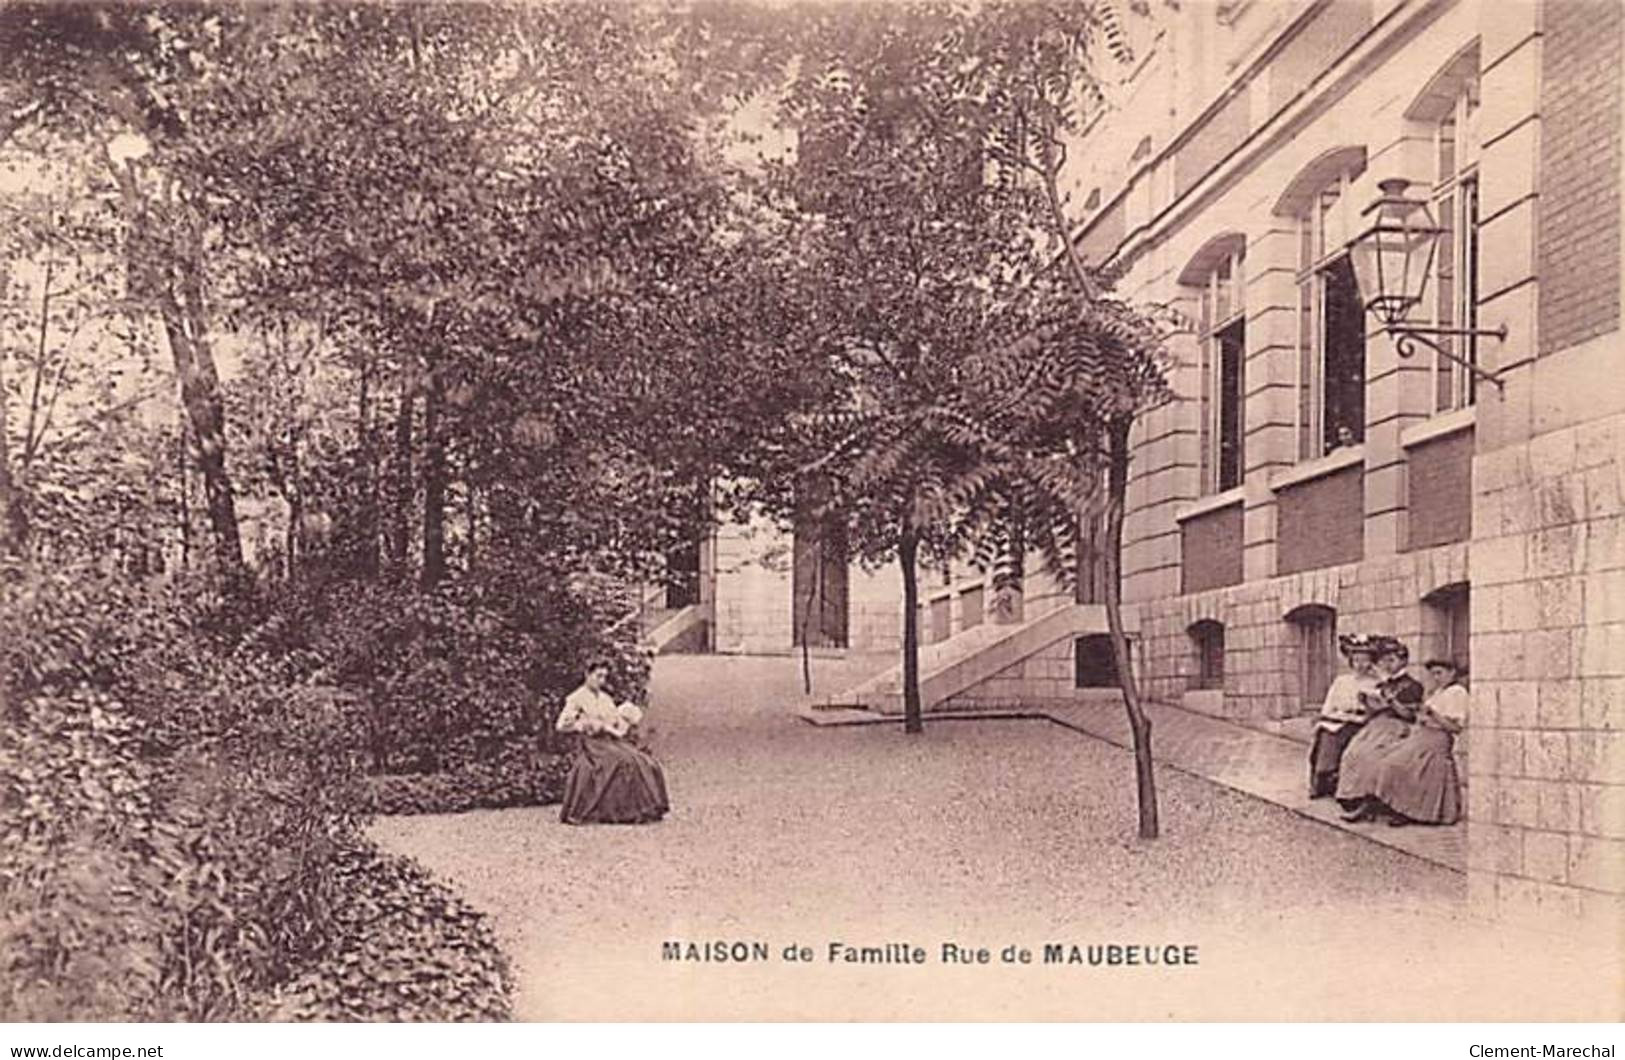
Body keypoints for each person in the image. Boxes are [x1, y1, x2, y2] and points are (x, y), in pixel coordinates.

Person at [555, 658, 669, 825]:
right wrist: (584, 724)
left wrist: (625, 718)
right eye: (598, 676)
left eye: (604, 677)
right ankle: (620, 811)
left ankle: (644, 808)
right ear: (587, 675)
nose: (601, 681)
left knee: (643, 760)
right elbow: (561, 725)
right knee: (623, 761)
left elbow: (615, 722)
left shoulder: (605, 698)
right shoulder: (576, 699)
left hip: (610, 740)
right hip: (592, 744)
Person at [1368, 658, 1469, 827]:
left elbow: (1455, 728)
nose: (1436, 677)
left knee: (1395, 764)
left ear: (1452, 673)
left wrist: (1432, 714)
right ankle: (1392, 806)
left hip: (1437, 740)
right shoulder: (1438, 692)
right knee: (1382, 755)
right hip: (1421, 735)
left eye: (1440, 673)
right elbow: (1422, 717)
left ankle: (1406, 810)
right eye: (1433, 674)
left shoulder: (1458, 693)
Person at [1336, 638, 1425, 820]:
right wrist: (1366, 702)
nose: (1387, 665)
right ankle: (1356, 798)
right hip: (1377, 725)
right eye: (1385, 661)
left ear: (1403, 661)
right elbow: (1375, 710)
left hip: (1397, 727)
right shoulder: (1383, 684)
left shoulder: (1413, 685)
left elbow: (1409, 715)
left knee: (1372, 756)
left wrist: (1391, 701)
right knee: (1353, 753)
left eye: (1392, 660)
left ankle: (1370, 804)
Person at [1308, 633, 1383, 798]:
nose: (1360, 665)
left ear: (1372, 662)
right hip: (1339, 719)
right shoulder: (1341, 682)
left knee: (1349, 737)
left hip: (1363, 722)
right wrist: (1339, 715)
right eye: (1357, 660)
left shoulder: (1376, 683)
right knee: (1327, 734)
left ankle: (1347, 783)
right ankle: (1323, 779)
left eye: (1365, 660)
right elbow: (1328, 708)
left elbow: (1378, 707)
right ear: (1351, 662)